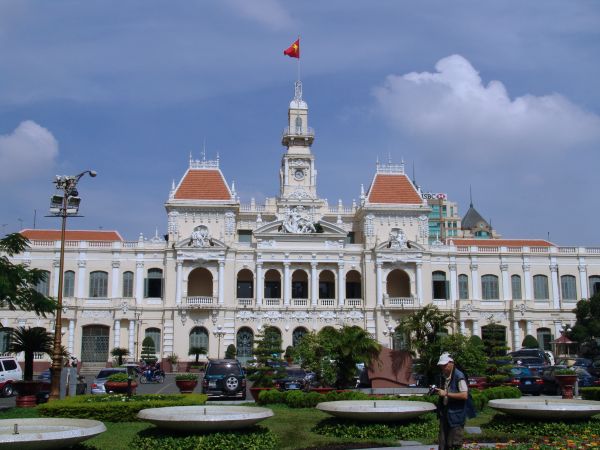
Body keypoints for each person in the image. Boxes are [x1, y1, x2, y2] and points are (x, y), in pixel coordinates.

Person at [435, 352, 469, 450]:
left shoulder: (459, 376)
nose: (443, 367)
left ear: (451, 363)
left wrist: (445, 393)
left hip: (456, 416)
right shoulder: (444, 376)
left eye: (444, 365)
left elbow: (464, 395)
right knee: (443, 443)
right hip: (445, 413)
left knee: (454, 444)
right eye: (441, 366)